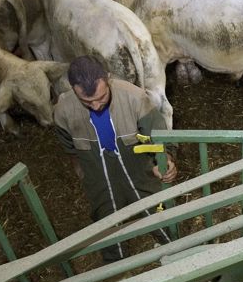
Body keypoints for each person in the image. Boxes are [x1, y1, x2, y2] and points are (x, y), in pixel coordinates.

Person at [54, 56, 177, 261]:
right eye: (86, 101)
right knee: (106, 222)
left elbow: (159, 137)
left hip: (138, 169)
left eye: (101, 98)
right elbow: (69, 147)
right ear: (73, 89)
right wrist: (83, 172)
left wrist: (165, 161)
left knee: (157, 209)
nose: (95, 106)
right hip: (98, 174)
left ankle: (176, 250)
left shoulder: (135, 98)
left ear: (108, 79)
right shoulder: (63, 111)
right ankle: (116, 270)